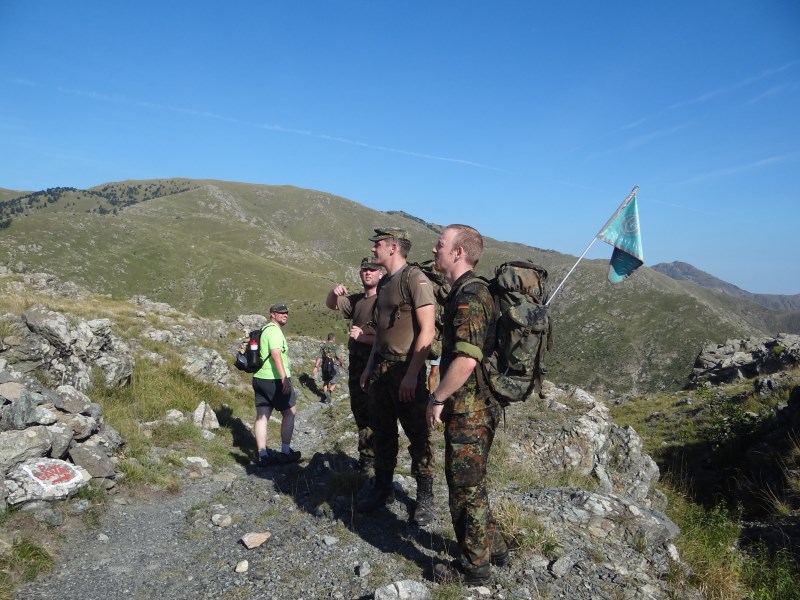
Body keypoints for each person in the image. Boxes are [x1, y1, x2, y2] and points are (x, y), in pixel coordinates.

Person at [426, 224, 510, 584]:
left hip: (470, 409)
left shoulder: (469, 297)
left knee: (464, 489)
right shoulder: (467, 291)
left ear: (458, 252)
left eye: (441, 244)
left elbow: (466, 360)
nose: (434, 249)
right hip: (478, 405)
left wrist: (437, 397)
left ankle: (474, 568)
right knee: (474, 482)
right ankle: (495, 547)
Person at [357, 227, 437, 526]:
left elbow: (427, 330)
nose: (373, 250)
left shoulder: (414, 279)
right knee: (382, 430)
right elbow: (380, 331)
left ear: (392, 247)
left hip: (406, 368)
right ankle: (382, 487)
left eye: (377, 245)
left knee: (418, 435)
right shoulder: (387, 281)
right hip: (381, 369)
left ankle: (425, 498)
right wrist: (368, 368)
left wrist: (412, 373)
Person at [325, 257, 384, 471]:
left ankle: (378, 457)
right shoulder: (358, 300)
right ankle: (367, 456)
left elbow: (387, 336)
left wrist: (362, 338)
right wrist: (334, 292)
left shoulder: (384, 301)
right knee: (360, 409)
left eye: (373, 270)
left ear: (380, 274)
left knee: (376, 411)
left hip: (375, 363)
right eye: (365, 270)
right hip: (356, 363)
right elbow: (332, 304)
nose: (368, 273)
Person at [252, 304, 301, 466]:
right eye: (281, 313)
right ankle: (286, 452)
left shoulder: (265, 329)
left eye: (286, 312)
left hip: (259, 378)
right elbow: (275, 354)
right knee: (290, 412)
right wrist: (283, 377)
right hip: (273, 379)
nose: (285, 315)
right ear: (272, 314)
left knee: (262, 416)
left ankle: (262, 454)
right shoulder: (274, 331)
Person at [312, 333, 346, 403]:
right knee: (334, 382)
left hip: (325, 366)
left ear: (328, 339)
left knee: (326, 382)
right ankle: (329, 393)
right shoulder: (335, 346)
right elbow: (338, 357)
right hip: (334, 365)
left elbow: (319, 357)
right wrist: (342, 363)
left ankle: (325, 395)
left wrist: (316, 366)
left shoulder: (323, 346)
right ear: (333, 339)